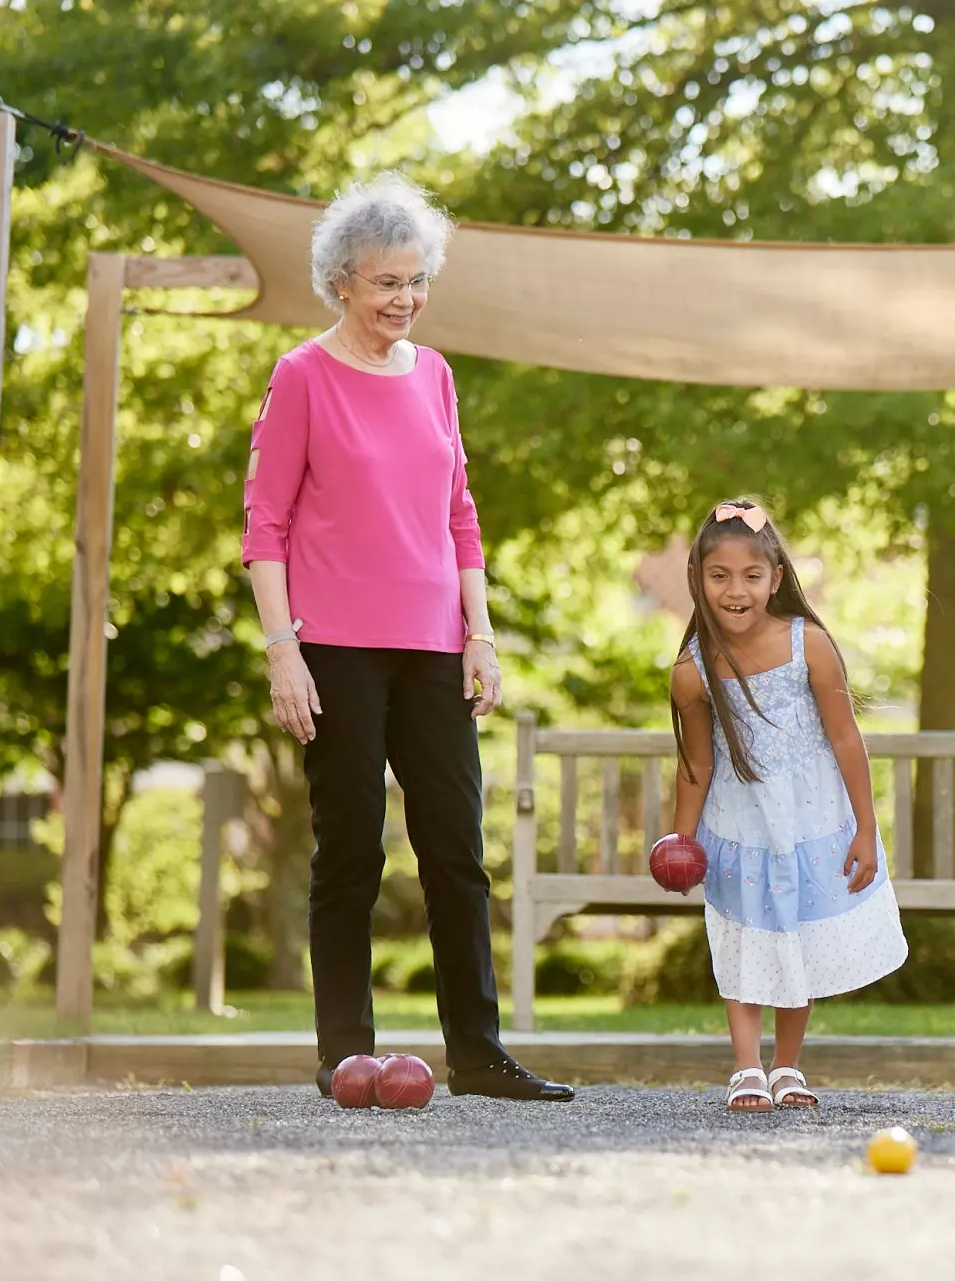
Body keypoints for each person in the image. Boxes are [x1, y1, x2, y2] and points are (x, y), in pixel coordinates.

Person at [242, 173, 573, 1103]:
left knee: (456, 854)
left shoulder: (435, 375)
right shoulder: (302, 374)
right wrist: (283, 651)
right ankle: (345, 1052)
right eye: (388, 281)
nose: (406, 299)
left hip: (434, 647)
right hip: (335, 648)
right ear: (342, 279)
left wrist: (482, 633)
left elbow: (461, 515)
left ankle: (479, 1053)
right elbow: (264, 528)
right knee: (351, 851)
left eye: (418, 280)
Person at [668, 500, 908, 1113]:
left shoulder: (810, 645)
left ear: (776, 578)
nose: (735, 590)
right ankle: (746, 1066)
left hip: (811, 819)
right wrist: (680, 841)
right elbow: (695, 764)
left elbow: (846, 738)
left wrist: (864, 826)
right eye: (718, 576)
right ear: (697, 577)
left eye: (751, 576)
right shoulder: (693, 671)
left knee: (795, 935)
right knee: (747, 936)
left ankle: (786, 1067)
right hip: (738, 824)